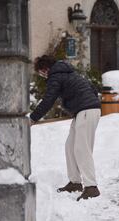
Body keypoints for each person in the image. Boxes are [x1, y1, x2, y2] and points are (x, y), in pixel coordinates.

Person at [30, 55, 101, 201]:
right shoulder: (68, 73)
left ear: (45, 69)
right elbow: (93, 90)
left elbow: (48, 99)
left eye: (41, 73)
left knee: (82, 149)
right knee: (70, 147)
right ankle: (75, 182)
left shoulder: (55, 76)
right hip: (84, 111)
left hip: (87, 111)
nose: (43, 76)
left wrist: (33, 118)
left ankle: (91, 187)